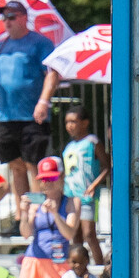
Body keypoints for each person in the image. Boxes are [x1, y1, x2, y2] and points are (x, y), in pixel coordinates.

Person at [0, 0, 59, 230]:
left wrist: (43, 101)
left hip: (31, 115)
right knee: (15, 166)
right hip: (6, 116)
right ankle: (22, 217)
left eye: (11, 17)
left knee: (33, 165)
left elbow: (52, 73)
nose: (6, 21)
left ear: (24, 18)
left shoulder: (39, 43)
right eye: (4, 17)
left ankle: (38, 214)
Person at [16, 160, 76, 278]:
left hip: (59, 262)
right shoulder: (37, 203)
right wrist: (24, 213)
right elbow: (26, 233)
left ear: (61, 178)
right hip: (35, 262)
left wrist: (55, 214)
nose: (47, 183)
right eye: (43, 179)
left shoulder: (70, 202)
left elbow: (70, 233)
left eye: (51, 178)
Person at [57, 101, 108, 256]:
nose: (69, 126)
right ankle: (78, 266)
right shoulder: (69, 147)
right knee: (75, 236)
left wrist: (94, 186)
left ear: (85, 123)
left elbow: (106, 167)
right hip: (71, 197)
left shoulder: (92, 142)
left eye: (73, 121)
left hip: (88, 197)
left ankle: (100, 267)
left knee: (89, 234)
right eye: (67, 122)